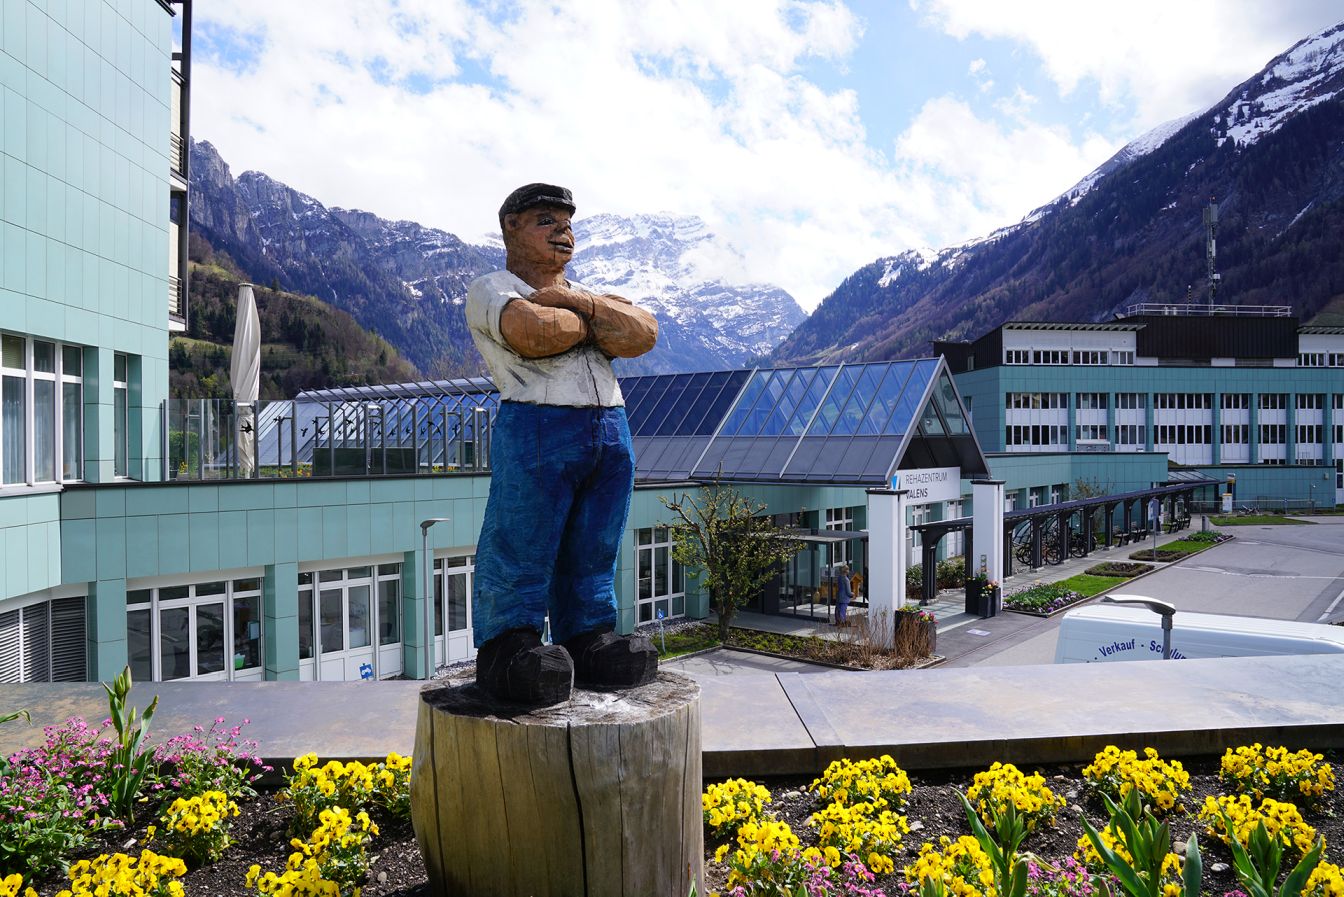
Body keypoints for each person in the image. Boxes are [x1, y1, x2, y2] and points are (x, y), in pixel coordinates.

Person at [465, 183, 661, 706]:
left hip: (610, 431)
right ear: (511, 226)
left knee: (595, 543)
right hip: (537, 427)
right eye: (546, 221)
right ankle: (509, 644)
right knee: (522, 536)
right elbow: (534, 332)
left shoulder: (579, 291)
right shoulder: (491, 286)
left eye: (568, 222)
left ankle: (589, 635)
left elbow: (643, 333)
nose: (563, 232)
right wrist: (599, 321)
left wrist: (577, 302)